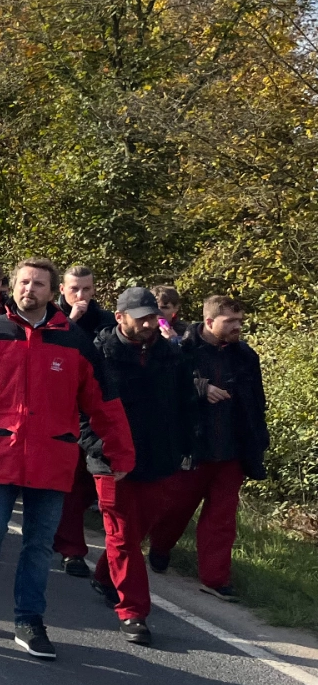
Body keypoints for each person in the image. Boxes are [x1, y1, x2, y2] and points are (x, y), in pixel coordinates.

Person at [0, 258, 133, 659]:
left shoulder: (75, 341)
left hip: (53, 457)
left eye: (39, 284)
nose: (29, 289)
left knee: (38, 544)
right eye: (24, 282)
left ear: (53, 292)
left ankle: (28, 619)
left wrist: (120, 450)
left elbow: (104, 403)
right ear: (13, 287)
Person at [82, 287, 198, 646]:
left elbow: (185, 405)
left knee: (136, 532)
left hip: (159, 458)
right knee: (121, 535)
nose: (150, 323)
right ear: (120, 317)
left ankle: (104, 577)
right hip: (111, 461)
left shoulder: (171, 355)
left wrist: (185, 448)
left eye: (153, 316)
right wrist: (103, 450)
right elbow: (81, 413)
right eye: (141, 317)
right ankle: (133, 611)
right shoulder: (99, 354)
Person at [146, 296, 268, 602]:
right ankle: (160, 546)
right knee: (175, 508)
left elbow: (256, 403)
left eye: (240, 321)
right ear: (210, 322)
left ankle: (216, 579)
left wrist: (257, 442)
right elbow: (164, 390)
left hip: (232, 450)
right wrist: (201, 387)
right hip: (192, 446)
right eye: (231, 321)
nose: (237, 327)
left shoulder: (245, 356)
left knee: (222, 518)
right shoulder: (180, 348)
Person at [53, 263, 118, 576]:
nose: (81, 295)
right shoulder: (52, 319)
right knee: (71, 483)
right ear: (62, 290)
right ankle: (71, 550)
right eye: (74, 289)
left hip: (97, 410)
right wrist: (71, 321)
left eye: (87, 289)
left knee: (97, 484)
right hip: (62, 411)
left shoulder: (107, 321)